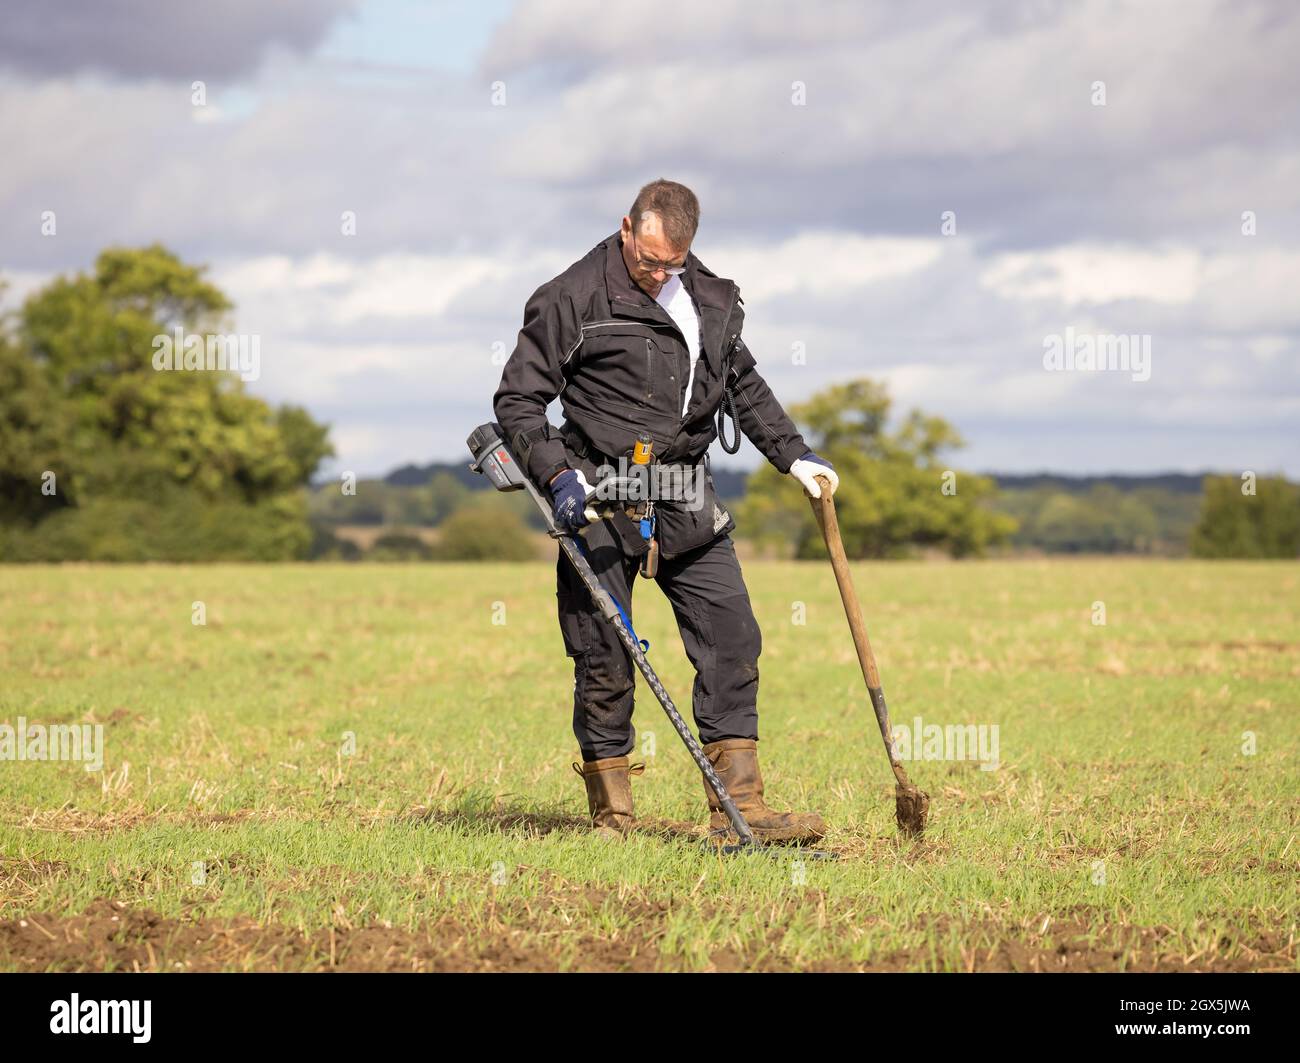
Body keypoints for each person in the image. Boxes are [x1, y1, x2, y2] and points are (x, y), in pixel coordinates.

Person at [492, 179, 840, 843]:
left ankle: (742, 811)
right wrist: (558, 473)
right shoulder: (570, 297)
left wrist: (794, 456)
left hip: (684, 492)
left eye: (670, 265)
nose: (657, 275)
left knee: (732, 636)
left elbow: (742, 384)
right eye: (647, 260)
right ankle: (613, 817)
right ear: (626, 227)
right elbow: (518, 401)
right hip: (597, 495)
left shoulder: (709, 297)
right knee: (603, 656)